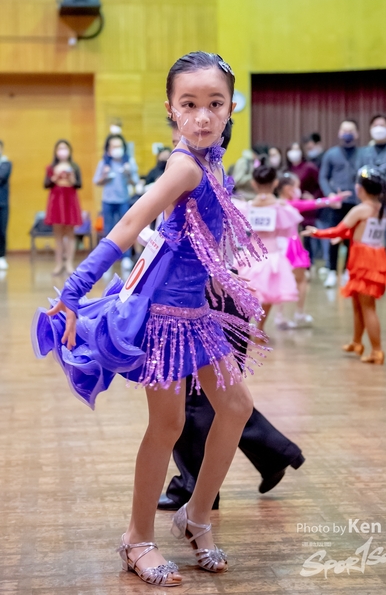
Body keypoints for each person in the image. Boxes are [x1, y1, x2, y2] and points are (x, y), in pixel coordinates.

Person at [32, 51, 272, 587]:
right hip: (163, 316)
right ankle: (137, 538)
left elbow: (186, 234)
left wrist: (216, 275)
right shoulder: (185, 165)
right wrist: (73, 290)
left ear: (231, 107)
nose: (203, 116)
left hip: (197, 312)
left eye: (215, 104)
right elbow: (129, 223)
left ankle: (196, 515)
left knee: (235, 407)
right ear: (171, 108)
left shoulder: (212, 160)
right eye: (190, 104)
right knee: (168, 425)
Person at [160, 127, 305, 513]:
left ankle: (194, 490)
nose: (185, 129)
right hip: (214, 294)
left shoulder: (199, 177)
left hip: (211, 299)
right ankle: (273, 452)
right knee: (215, 395)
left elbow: (196, 250)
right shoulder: (208, 174)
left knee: (196, 400)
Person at [304, 167, 386, 365]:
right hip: (373, 257)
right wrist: (343, 235)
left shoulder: (361, 209)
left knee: (368, 307)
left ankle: (377, 350)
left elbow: (338, 230)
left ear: (361, 188)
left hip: (364, 261)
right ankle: (357, 342)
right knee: (359, 305)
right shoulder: (379, 208)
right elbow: (358, 230)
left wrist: (316, 233)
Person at [276, 173, 350, 328]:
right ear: (288, 189)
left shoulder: (274, 204)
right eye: (297, 187)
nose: (299, 190)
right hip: (291, 245)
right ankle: (298, 313)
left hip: (274, 245)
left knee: (280, 280)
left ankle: (280, 315)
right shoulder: (290, 204)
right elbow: (313, 204)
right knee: (302, 279)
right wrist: (333, 199)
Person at [234, 161, 299, 331]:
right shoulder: (282, 209)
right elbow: (287, 232)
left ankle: (247, 325)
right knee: (268, 295)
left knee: (247, 291)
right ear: (275, 183)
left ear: (253, 183)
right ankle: (260, 327)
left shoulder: (246, 207)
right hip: (272, 255)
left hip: (250, 255)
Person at [356, 114, 386, 296]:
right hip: (368, 204)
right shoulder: (363, 153)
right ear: (370, 128)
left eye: (382, 125)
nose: (379, 128)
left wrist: (380, 186)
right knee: (366, 242)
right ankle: (366, 281)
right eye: (375, 125)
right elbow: (359, 175)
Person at [319, 119, 360, 288]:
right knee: (334, 237)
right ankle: (332, 271)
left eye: (351, 130)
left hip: (356, 204)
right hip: (337, 204)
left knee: (353, 239)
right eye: (344, 130)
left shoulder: (363, 154)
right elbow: (323, 177)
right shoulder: (331, 154)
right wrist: (330, 196)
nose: (347, 133)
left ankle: (348, 272)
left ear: (357, 133)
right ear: (339, 133)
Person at [93, 133, 139, 271]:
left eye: (119, 146)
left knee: (125, 230)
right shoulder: (104, 163)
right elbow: (97, 181)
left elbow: (135, 182)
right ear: (108, 149)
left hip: (123, 200)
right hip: (108, 200)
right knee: (108, 229)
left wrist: (128, 174)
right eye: (113, 146)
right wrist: (104, 176)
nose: (116, 149)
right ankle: (108, 259)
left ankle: (126, 257)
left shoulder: (129, 162)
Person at [44, 140, 83, 276]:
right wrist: (54, 177)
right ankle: (59, 264)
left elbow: (79, 184)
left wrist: (72, 178)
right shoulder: (51, 167)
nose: (62, 151)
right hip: (56, 199)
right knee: (58, 235)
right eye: (60, 148)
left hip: (70, 199)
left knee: (70, 233)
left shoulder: (74, 167)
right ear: (56, 151)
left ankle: (69, 263)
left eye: (65, 148)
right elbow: (46, 184)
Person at [285, 142, 323, 266]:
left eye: (297, 149)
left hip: (306, 209)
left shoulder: (309, 167)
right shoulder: (287, 170)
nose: (294, 153)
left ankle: (308, 264)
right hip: (290, 208)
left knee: (307, 238)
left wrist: (314, 197)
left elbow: (319, 184)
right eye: (291, 150)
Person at [0, 140, 12, 270]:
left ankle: (2, 256)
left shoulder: (6, 164)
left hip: (2, 203)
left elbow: (1, 177)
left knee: (2, 231)